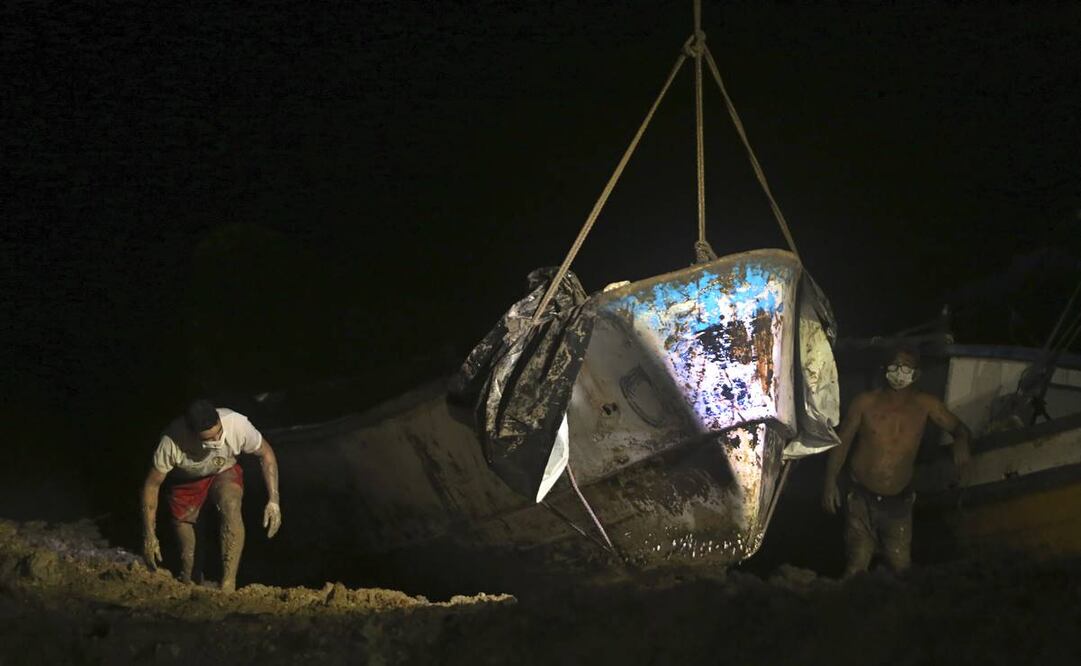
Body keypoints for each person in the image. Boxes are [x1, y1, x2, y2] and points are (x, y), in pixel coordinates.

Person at [822, 345, 970, 575]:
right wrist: (829, 482)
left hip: (898, 502)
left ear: (917, 374)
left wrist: (961, 441)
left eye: (907, 367)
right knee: (856, 566)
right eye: (895, 365)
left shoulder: (927, 405)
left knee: (901, 568)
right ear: (884, 369)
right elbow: (843, 441)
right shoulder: (865, 403)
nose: (900, 372)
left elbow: (959, 427)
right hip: (861, 497)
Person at [140, 400, 281, 591]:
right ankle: (192, 579)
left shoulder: (236, 423)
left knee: (230, 504)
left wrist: (274, 500)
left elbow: (266, 454)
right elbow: (152, 485)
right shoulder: (172, 441)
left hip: (223, 471)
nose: (217, 441)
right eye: (209, 439)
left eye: (219, 433)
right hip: (186, 483)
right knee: (190, 562)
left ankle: (228, 584)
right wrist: (149, 534)